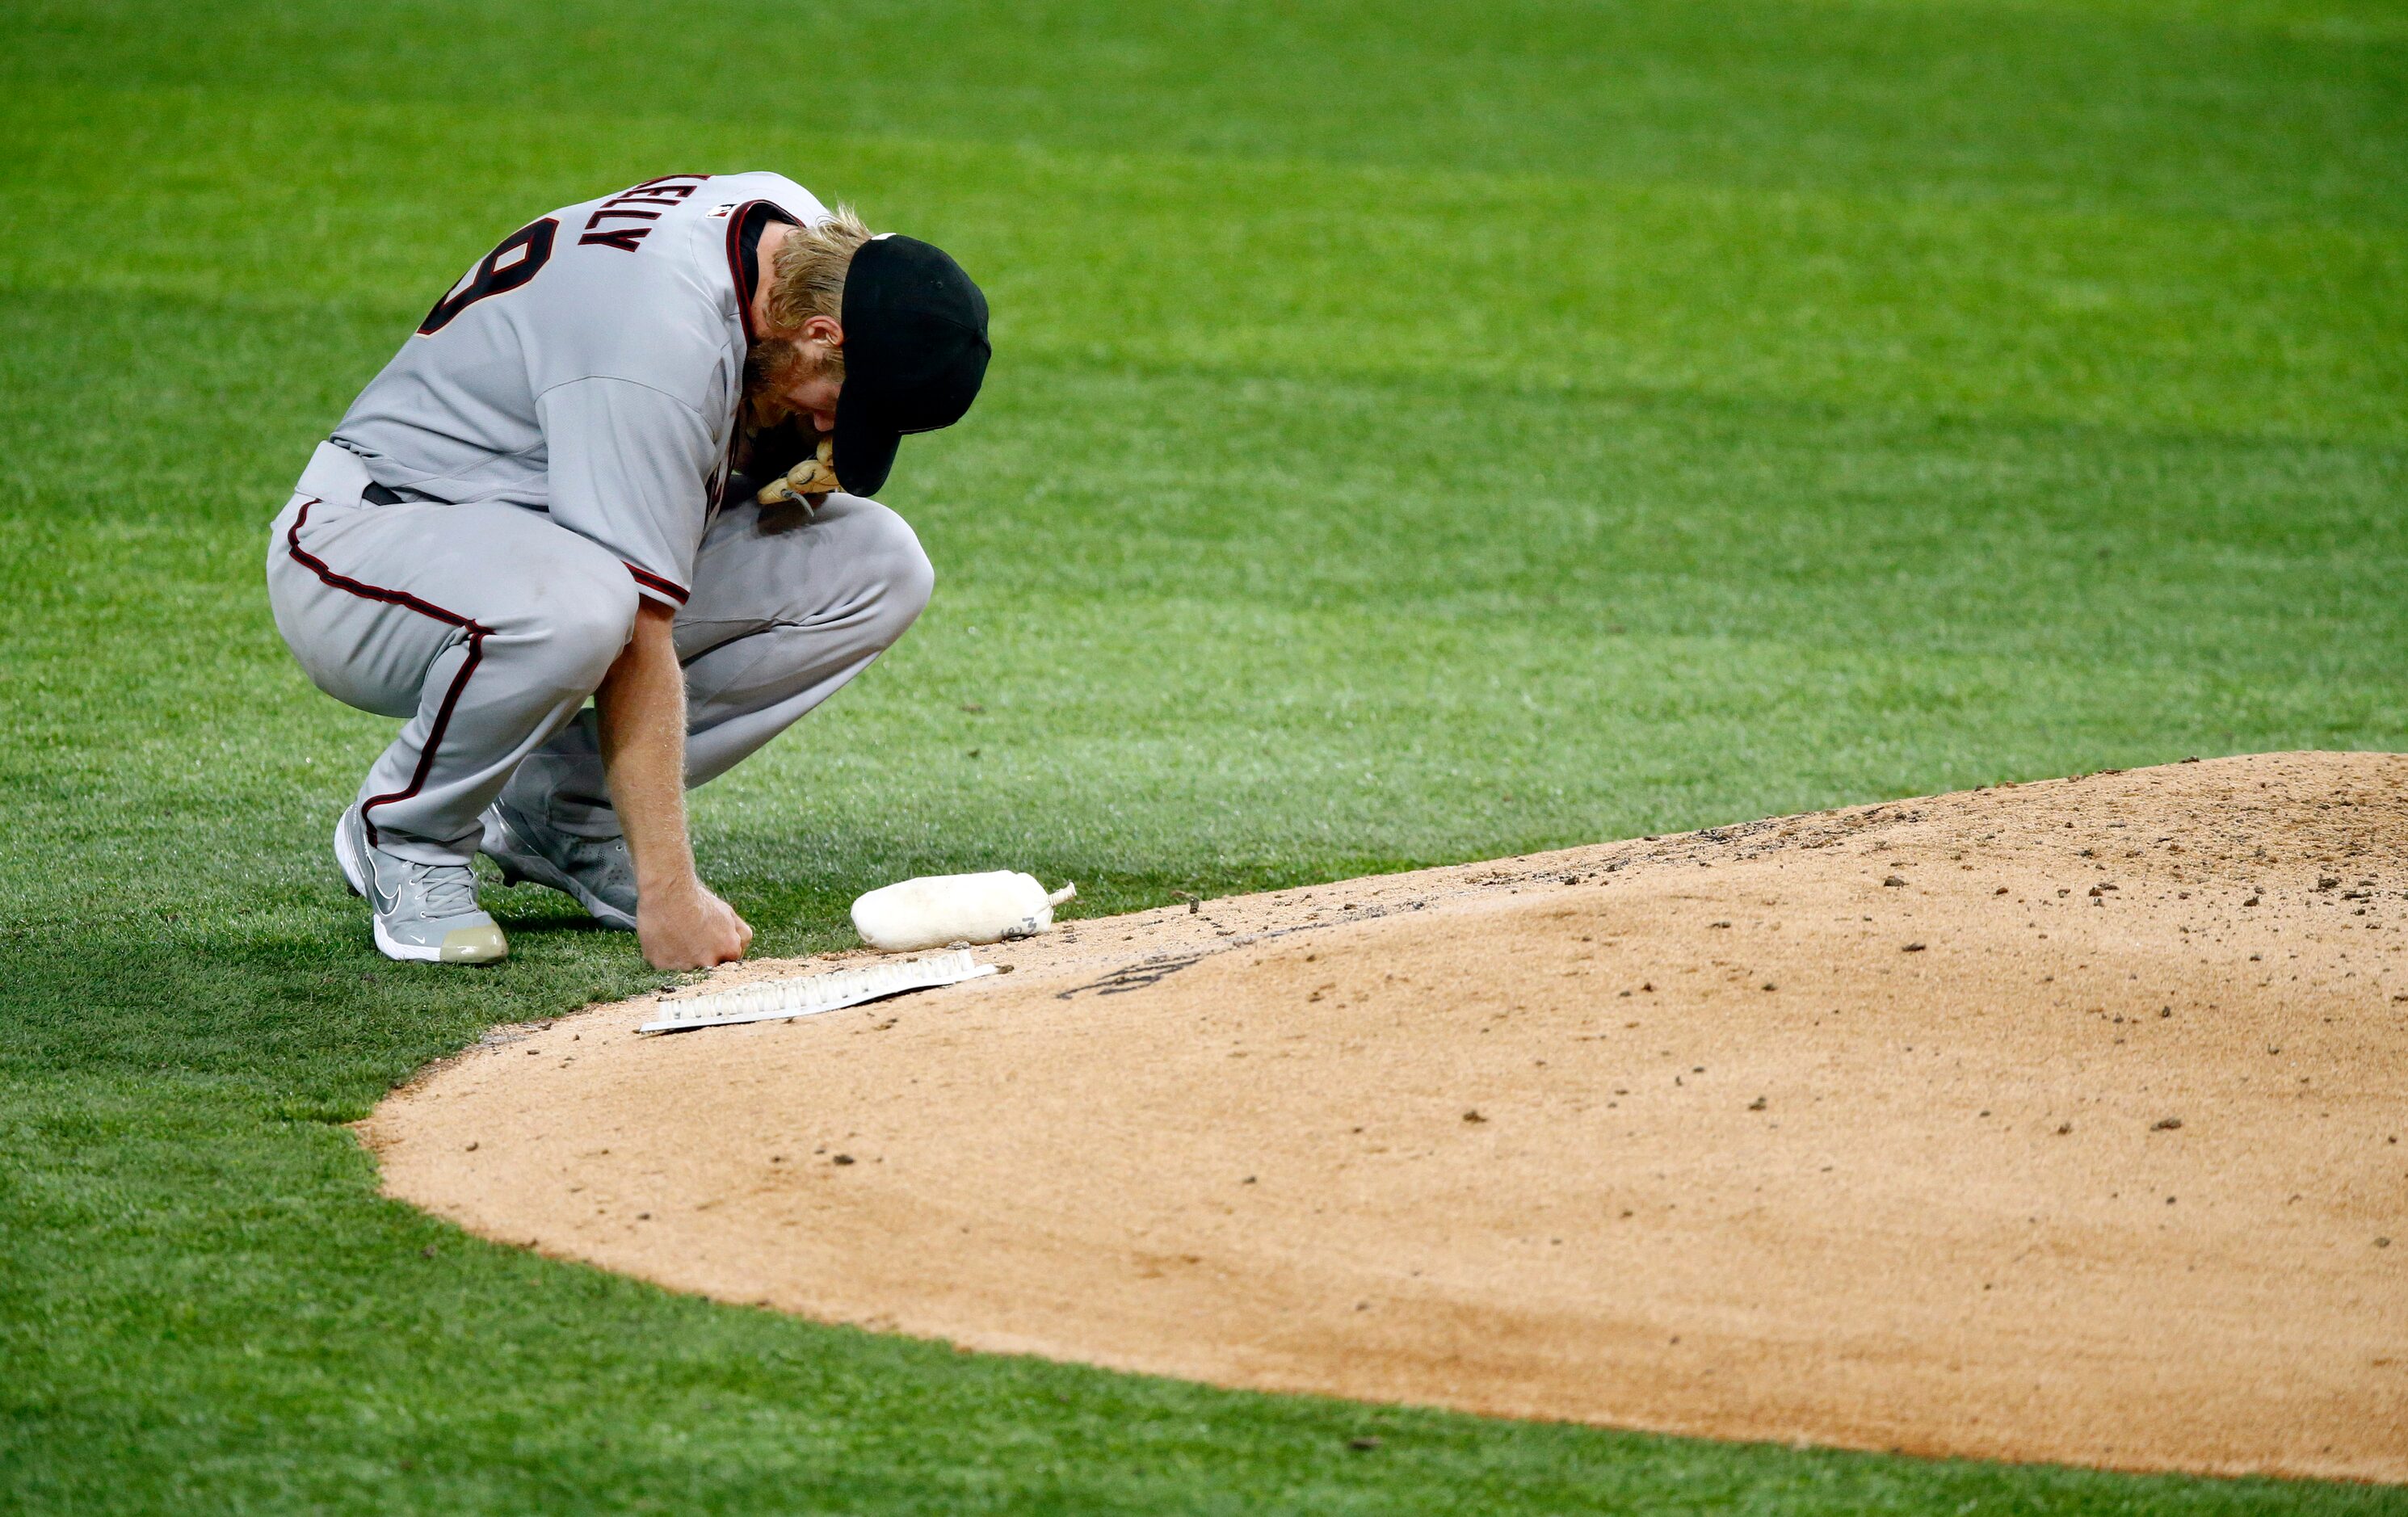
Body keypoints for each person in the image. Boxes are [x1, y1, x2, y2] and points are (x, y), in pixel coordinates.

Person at [265, 173, 988, 969]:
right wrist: (669, 895)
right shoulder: (655, 344)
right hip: (369, 544)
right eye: (835, 401)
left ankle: (565, 814)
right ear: (823, 332)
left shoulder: (792, 237)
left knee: (874, 564)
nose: (825, 425)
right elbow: (640, 643)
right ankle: (404, 835)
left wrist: (775, 447)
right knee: (590, 606)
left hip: (529, 534)